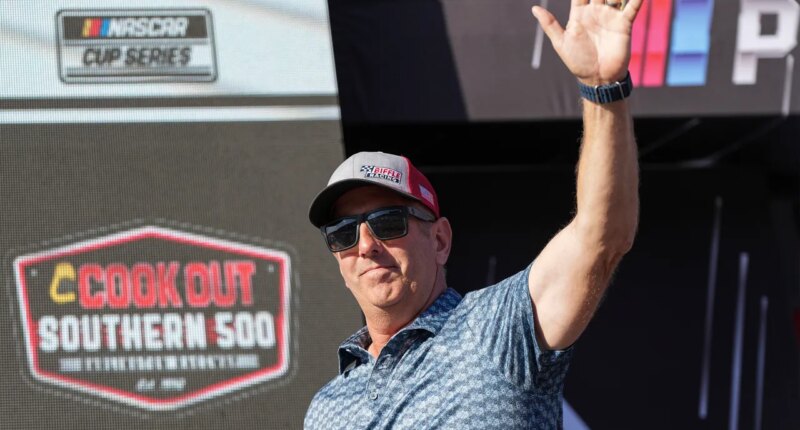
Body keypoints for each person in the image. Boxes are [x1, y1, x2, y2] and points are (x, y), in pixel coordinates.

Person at [304, 0, 641, 428]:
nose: (366, 246)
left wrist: (602, 88)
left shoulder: (496, 330)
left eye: (389, 223)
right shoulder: (328, 407)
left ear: (440, 240)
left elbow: (602, 237)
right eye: (344, 233)